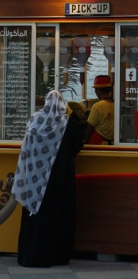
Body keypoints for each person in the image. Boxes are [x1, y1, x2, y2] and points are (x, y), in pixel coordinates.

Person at [12, 90, 84, 267]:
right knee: (58, 214)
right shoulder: (68, 123)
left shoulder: (35, 121)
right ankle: (56, 256)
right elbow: (77, 145)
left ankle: (30, 254)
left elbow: (27, 149)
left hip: (34, 179)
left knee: (35, 215)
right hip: (61, 179)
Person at [84, 75, 114, 145]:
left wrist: (84, 144)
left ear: (98, 90)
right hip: (111, 145)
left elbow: (89, 130)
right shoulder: (115, 105)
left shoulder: (97, 106)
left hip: (98, 144)